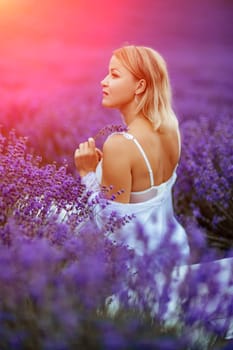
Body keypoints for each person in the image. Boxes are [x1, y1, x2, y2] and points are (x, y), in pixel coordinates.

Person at [74, 45, 190, 261]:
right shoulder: (170, 127)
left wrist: (87, 173)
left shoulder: (119, 145)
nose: (104, 81)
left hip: (139, 266)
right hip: (173, 249)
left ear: (140, 86)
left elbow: (111, 228)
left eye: (114, 74)